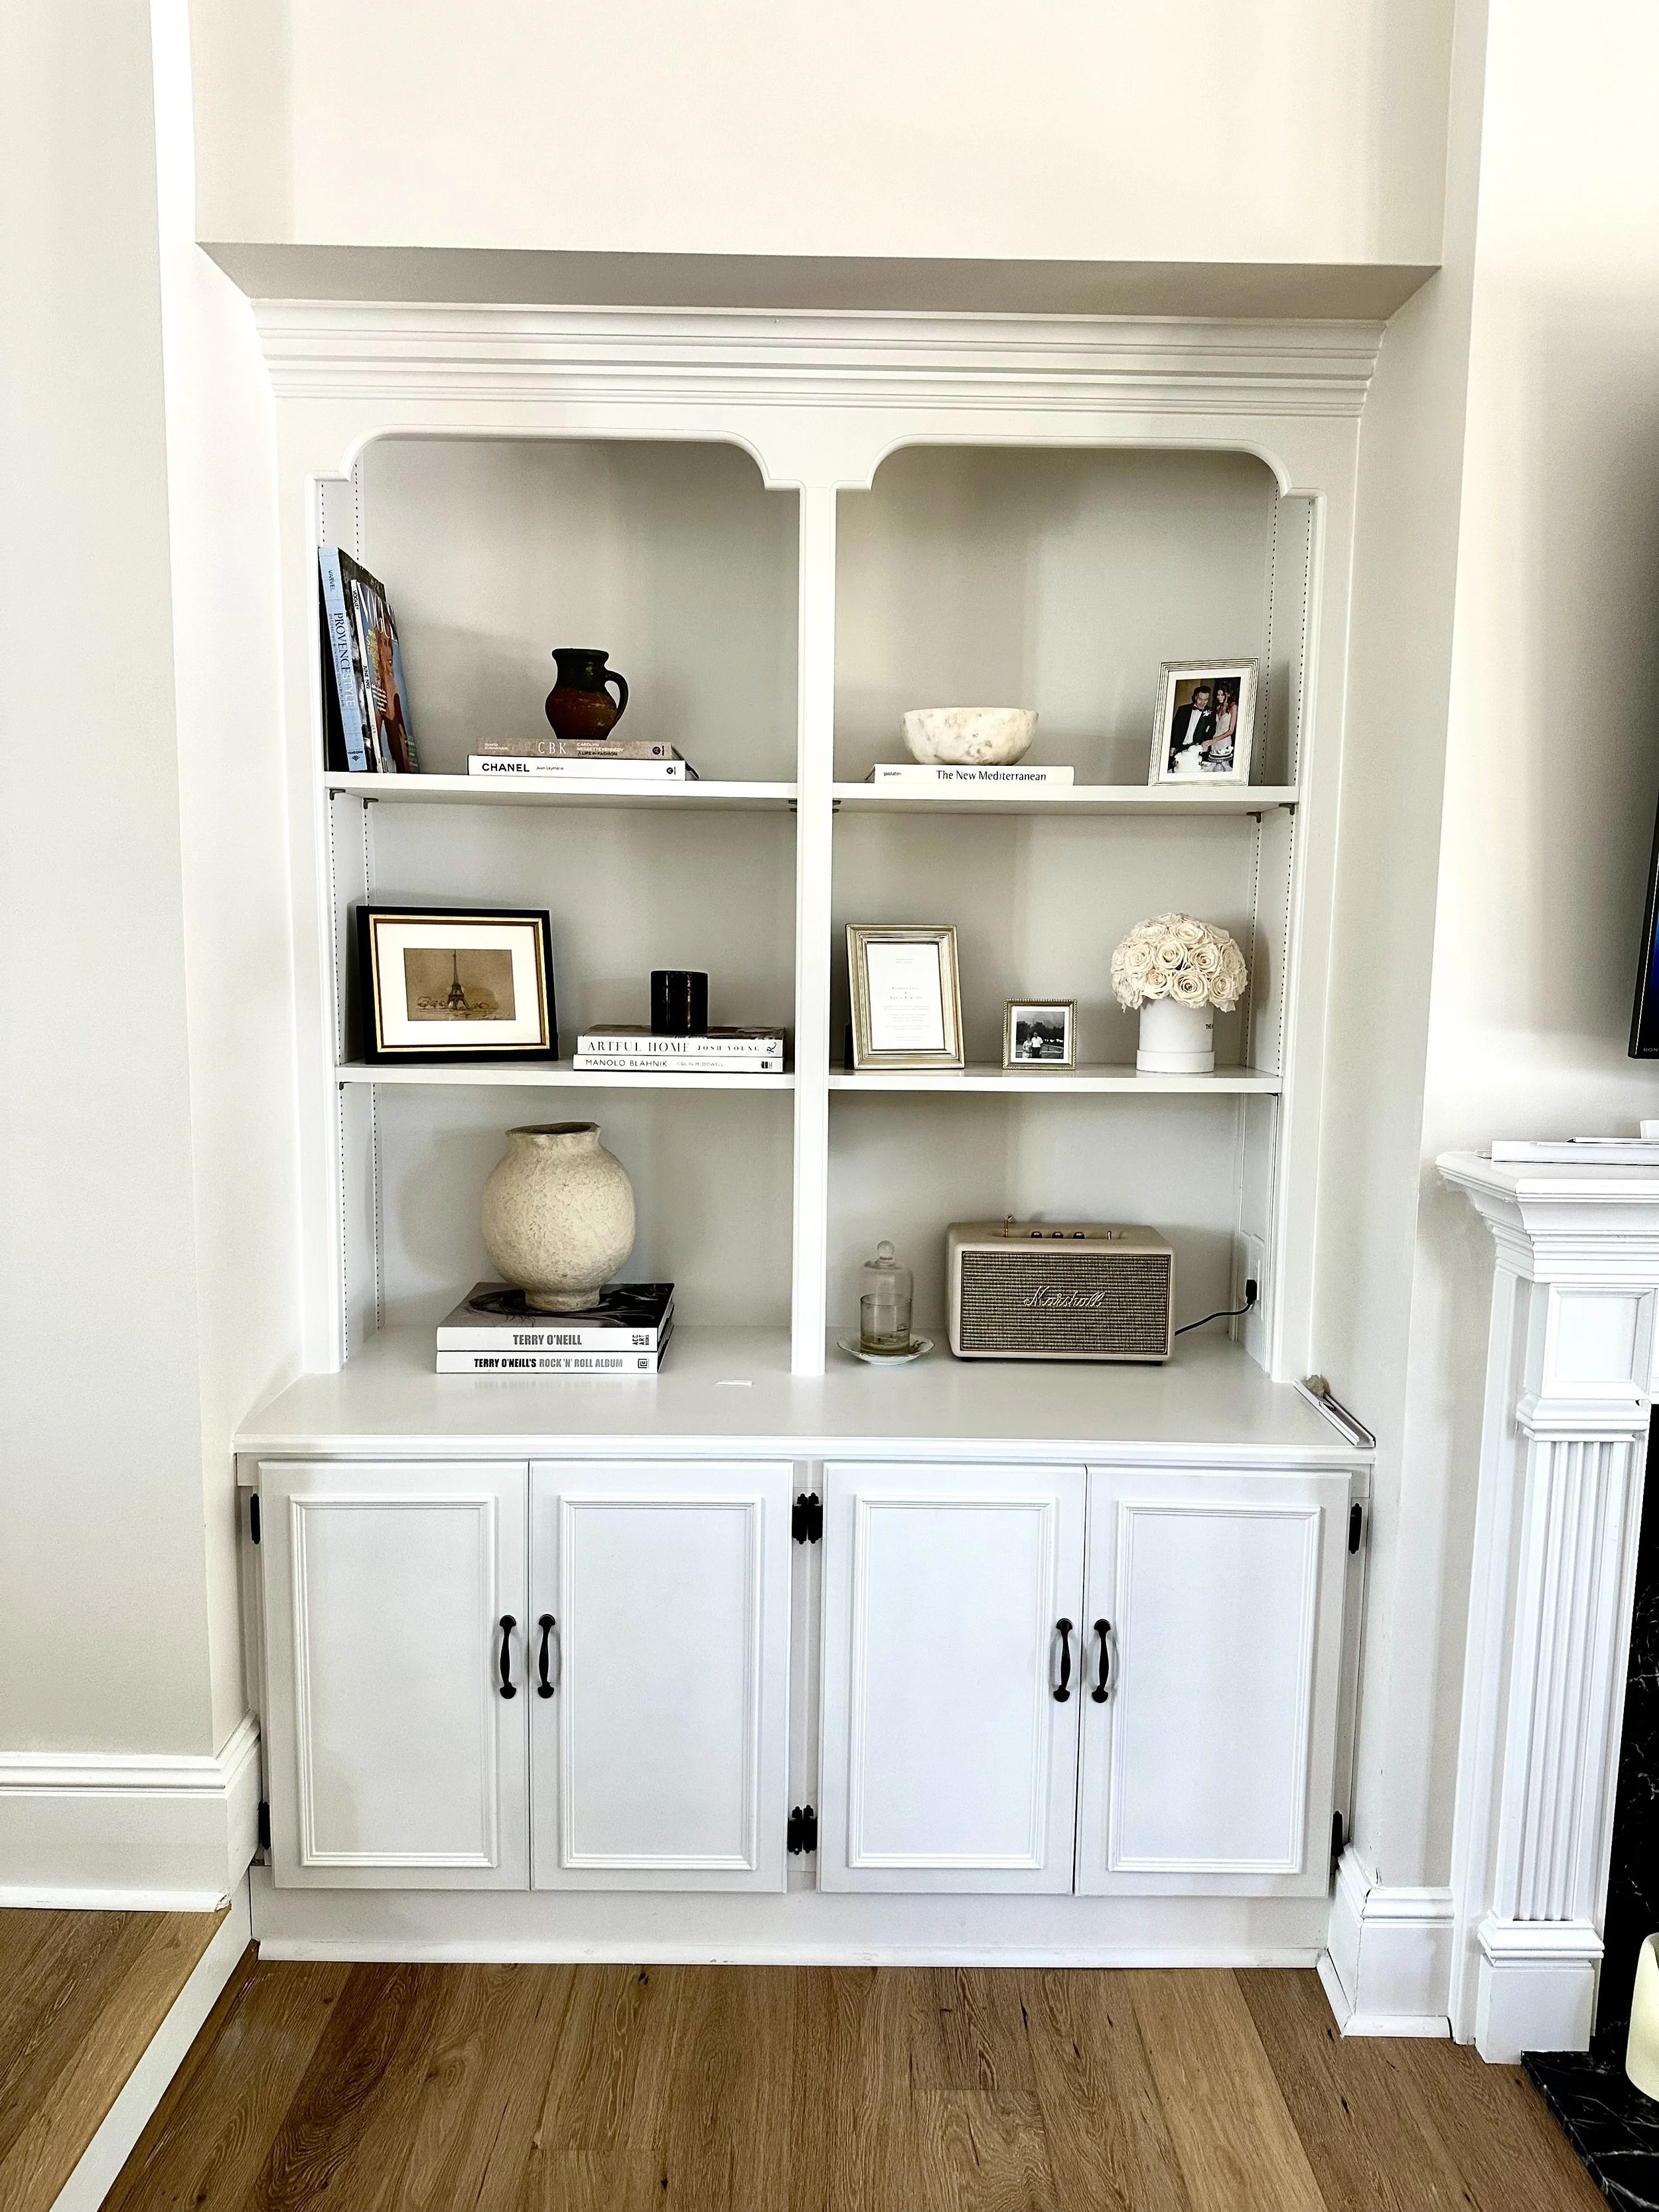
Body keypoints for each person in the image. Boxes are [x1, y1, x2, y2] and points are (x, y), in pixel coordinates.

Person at [1167, 682, 1216, 774]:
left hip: (1197, 748)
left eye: (1206, 700)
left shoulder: (1211, 712)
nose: (1203, 703)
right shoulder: (1183, 710)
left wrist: (1205, 744)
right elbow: (1176, 729)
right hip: (1180, 747)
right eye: (1200, 699)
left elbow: (1211, 730)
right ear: (1195, 697)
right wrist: (1173, 746)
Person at [1206, 682, 1238, 774]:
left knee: (1223, 768)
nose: (1219, 697)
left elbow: (1231, 731)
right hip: (1215, 740)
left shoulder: (1233, 707)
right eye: (1218, 695)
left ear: (1228, 694)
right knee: (1213, 767)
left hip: (1224, 741)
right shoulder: (1218, 708)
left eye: (1222, 695)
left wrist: (1215, 740)